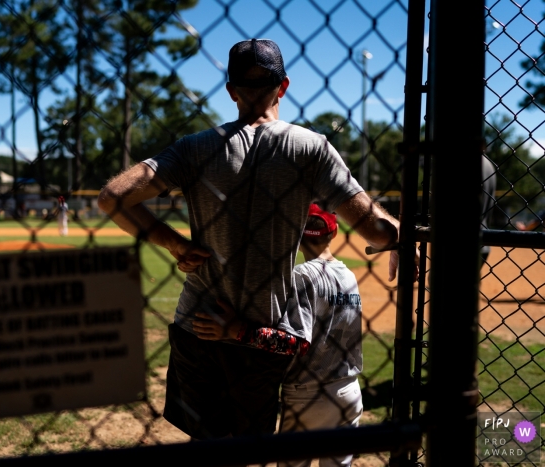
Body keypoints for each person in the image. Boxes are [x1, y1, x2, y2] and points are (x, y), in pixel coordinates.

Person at [98, 38, 410, 440]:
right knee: (245, 451)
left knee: (205, 443)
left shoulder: (196, 148)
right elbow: (376, 230)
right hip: (259, 333)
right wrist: (403, 236)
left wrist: (174, 243)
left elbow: (112, 198)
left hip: (199, 321)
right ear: (284, 86)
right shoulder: (309, 148)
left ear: (231, 91)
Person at [193, 204, 363, 467]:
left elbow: (293, 343)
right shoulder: (350, 276)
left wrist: (236, 331)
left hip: (308, 394)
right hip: (350, 391)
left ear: (295, 233)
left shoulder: (302, 277)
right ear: (336, 231)